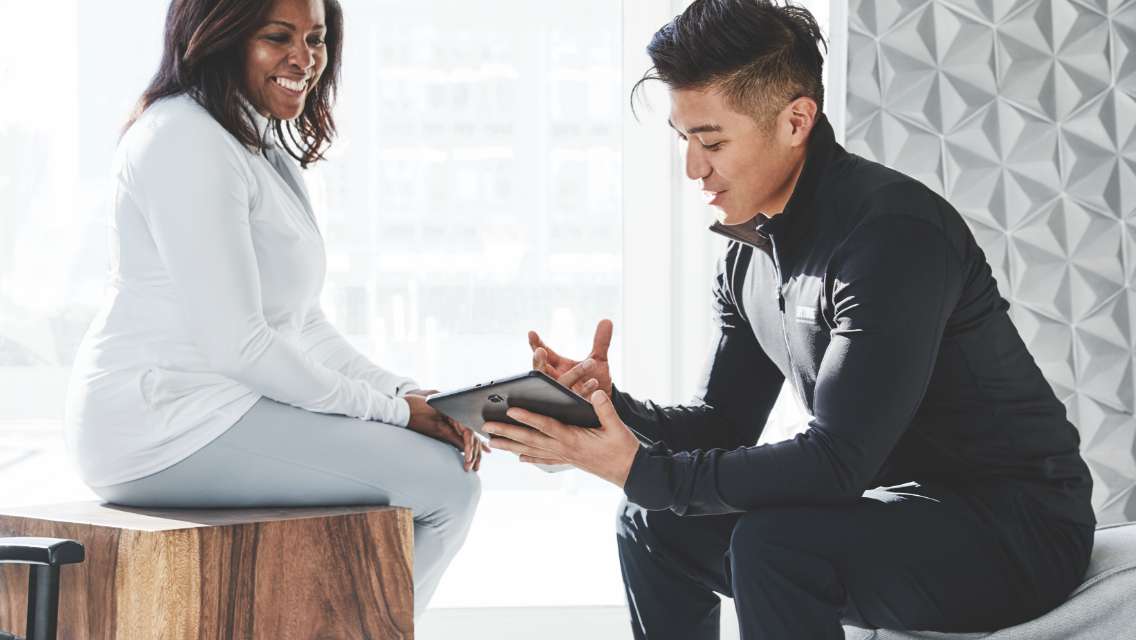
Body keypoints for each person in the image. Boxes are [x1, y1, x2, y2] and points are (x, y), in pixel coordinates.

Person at [483, 1, 1096, 638]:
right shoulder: (750, 255)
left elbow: (836, 462)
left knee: (775, 544)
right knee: (650, 519)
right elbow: (724, 424)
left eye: (713, 141)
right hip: (899, 509)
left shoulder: (892, 236)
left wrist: (639, 468)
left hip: (1018, 528)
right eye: (684, 139)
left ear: (796, 120)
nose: (693, 168)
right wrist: (610, 408)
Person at [63, 0, 483, 617]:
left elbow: (303, 324)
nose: (304, 59)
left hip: (223, 405)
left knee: (446, 469)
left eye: (315, 39)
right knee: (445, 484)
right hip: (160, 423)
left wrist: (410, 393)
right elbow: (240, 344)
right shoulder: (185, 138)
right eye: (277, 37)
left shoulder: (258, 143)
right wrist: (395, 414)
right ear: (220, 37)